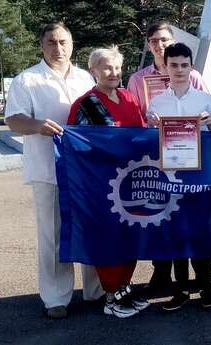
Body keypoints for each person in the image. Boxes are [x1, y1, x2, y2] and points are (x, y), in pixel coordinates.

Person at [4, 23, 104, 319]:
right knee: (53, 235)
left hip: (85, 171)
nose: (58, 48)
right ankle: (55, 297)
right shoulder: (27, 80)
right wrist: (37, 125)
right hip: (48, 170)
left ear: (72, 44)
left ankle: (96, 290)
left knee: (90, 229)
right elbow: (13, 119)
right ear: (42, 45)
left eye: (63, 42)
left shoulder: (86, 77)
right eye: (51, 42)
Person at [126, 21, 209, 292]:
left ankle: (202, 278)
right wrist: (149, 126)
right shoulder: (138, 79)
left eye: (164, 40)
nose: (159, 45)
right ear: (148, 45)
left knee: (191, 219)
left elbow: (209, 116)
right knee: (160, 217)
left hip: (192, 159)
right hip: (155, 157)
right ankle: (161, 273)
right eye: (154, 41)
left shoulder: (193, 76)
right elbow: (136, 118)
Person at [67, 46, 149, 318]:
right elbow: (76, 145)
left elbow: (141, 134)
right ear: (93, 71)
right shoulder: (85, 104)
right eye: (106, 67)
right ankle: (111, 295)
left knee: (130, 234)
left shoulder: (129, 98)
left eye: (116, 67)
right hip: (101, 183)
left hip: (132, 179)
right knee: (108, 237)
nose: (113, 73)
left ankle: (124, 288)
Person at [146, 43, 211, 312]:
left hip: (200, 177)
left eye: (184, 65)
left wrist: (210, 124)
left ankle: (206, 287)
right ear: (165, 67)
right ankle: (181, 289)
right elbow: (149, 143)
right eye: (174, 65)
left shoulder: (206, 100)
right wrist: (151, 126)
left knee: (201, 231)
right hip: (171, 179)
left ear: (191, 67)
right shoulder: (156, 103)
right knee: (176, 232)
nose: (179, 70)